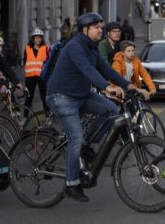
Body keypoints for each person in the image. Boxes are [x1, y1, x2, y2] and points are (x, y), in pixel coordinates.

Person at [46, 12, 137, 202]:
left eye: (101, 28)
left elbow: (105, 69)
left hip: (81, 94)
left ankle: (86, 145)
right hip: (61, 96)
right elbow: (87, 70)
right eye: (97, 28)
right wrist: (107, 87)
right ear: (85, 30)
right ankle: (72, 184)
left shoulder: (92, 47)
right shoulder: (75, 47)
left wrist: (127, 85)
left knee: (112, 110)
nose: (100, 30)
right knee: (76, 138)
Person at [23, 28, 49, 111]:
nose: (39, 39)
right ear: (33, 38)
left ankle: (47, 116)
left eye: (40, 37)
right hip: (30, 76)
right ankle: (26, 116)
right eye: (37, 37)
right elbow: (25, 61)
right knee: (29, 97)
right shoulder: (27, 48)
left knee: (44, 96)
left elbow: (48, 62)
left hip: (41, 75)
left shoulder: (45, 48)